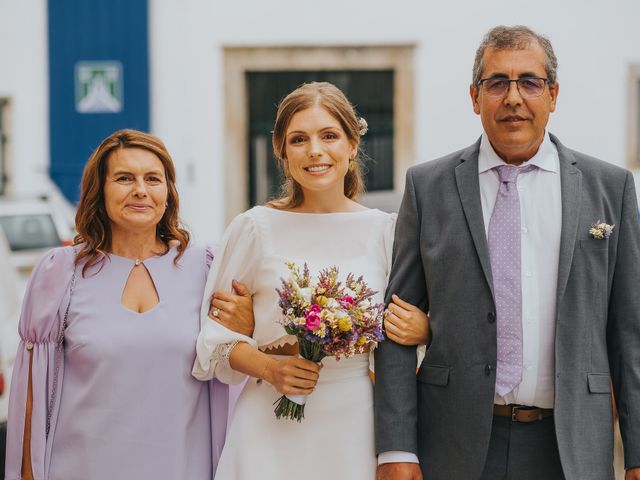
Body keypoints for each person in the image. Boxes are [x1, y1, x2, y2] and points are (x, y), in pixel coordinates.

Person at [374, 25, 640, 480]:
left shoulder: (609, 188)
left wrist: (636, 452)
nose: (513, 97)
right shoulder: (428, 188)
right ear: (475, 97)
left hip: (570, 445)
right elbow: (395, 325)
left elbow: (629, 332)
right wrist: (396, 448)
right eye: (497, 83)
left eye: (529, 82)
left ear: (553, 94)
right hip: (456, 442)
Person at [192, 81, 430, 480]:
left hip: (355, 423)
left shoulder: (386, 232)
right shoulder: (253, 228)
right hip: (268, 424)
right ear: (282, 153)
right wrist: (270, 368)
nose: (315, 150)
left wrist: (426, 330)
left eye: (329, 136)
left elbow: (408, 337)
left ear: (352, 145)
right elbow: (213, 343)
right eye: (298, 139)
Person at [5, 129, 254, 480]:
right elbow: (32, 395)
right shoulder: (60, 271)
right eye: (124, 178)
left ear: (167, 192)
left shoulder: (208, 269)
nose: (140, 189)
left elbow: (234, 367)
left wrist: (246, 328)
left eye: (153, 179)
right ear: (100, 190)